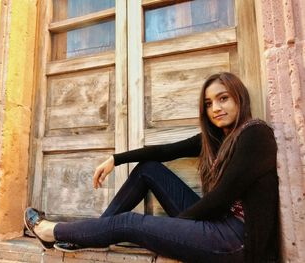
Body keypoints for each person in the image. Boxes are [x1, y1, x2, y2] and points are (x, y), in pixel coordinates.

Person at [24, 72, 279, 263]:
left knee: (130, 224)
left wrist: (173, 230)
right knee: (149, 168)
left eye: (223, 99)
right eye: (209, 103)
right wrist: (116, 159)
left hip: (235, 241)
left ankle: (49, 231)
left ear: (239, 97)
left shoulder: (255, 133)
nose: (216, 108)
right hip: (215, 223)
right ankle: (91, 235)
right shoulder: (216, 139)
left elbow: (220, 199)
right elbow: (164, 151)